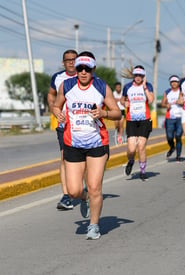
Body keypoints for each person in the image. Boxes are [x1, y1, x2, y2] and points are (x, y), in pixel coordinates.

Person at [52, 51, 121, 240]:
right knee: (74, 191)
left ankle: (94, 225)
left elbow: (117, 113)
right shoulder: (66, 85)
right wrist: (58, 113)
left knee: (94, 187)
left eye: (87, 69)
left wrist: (104, 114)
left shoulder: (101, 87)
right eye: (79, 68)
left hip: (97, 143)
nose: (83, 72)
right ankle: (85, 199)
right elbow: (56, 105)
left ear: (93, 69)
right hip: (73, 143)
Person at [48, 49, 78, 211]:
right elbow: (51, 96)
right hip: (64, 125)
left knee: (83, 160)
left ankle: (85, 189)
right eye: (68, 60)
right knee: (64, 158)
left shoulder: (86, 76)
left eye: (74, 59)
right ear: (63, 62)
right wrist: (55, 110)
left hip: (83, 126)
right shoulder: (57, 78)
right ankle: (66, 195)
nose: (71, 62)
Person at [120, 65, 154, 181]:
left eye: (140, 75)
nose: (138, 77)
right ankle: (130, 161)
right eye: (136, 75)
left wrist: (145, 88)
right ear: (133, 76)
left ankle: (143, 171)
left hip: (145, 120)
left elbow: (151, 100)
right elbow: (122, 99)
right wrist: (124, 103)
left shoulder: (148, 86)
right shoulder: (127, 87)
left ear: (143, 76)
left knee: (141, 146)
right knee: (131, 149)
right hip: (131, 120)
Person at [161, 75, 183, 162]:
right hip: (170, 117)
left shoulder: (182, 91)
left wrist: (181, 102)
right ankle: (172, 147)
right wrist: (166, 105)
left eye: (176, 82)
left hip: (180, 117)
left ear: (178, 83)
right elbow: (162, 103)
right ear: (170, 83)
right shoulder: (167, 92)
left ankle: (178, 156)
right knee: (169, 137)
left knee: (178, 136)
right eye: (172, 82)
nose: (174, 83)